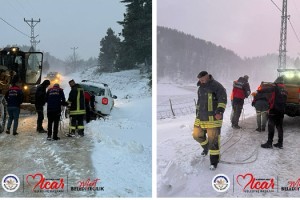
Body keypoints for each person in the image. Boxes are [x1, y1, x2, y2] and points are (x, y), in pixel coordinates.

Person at [192, 71, 227, 170]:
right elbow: (199, 102)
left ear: (207, 77)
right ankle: (206, 147)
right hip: (200, 118)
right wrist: (197, 114)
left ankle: (214, 162)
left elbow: (223, 99)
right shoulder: (200, 88)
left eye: (202, 79)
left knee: (214, 141)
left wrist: (220, 111)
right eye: (200, 80)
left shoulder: (217, 86)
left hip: (213, 119)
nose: (201, 81)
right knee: (196, 135)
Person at [261, 82, 287, 149]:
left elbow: (267, 90)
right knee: (279, 127)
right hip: (281, 111)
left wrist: (259, 90)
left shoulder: (275, 88)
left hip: (274, 110)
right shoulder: (285, 90)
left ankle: (269, 143)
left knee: (271, 126)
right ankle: (280, 143)